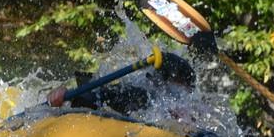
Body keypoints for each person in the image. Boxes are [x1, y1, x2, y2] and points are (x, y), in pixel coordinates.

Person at [47, 52, 197, 118]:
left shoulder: (194, 112)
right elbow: (96, 99)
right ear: (160, 82)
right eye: (178, 88)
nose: (182, 98)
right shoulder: (137, 96)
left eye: (187, 91)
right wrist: (66, 95)